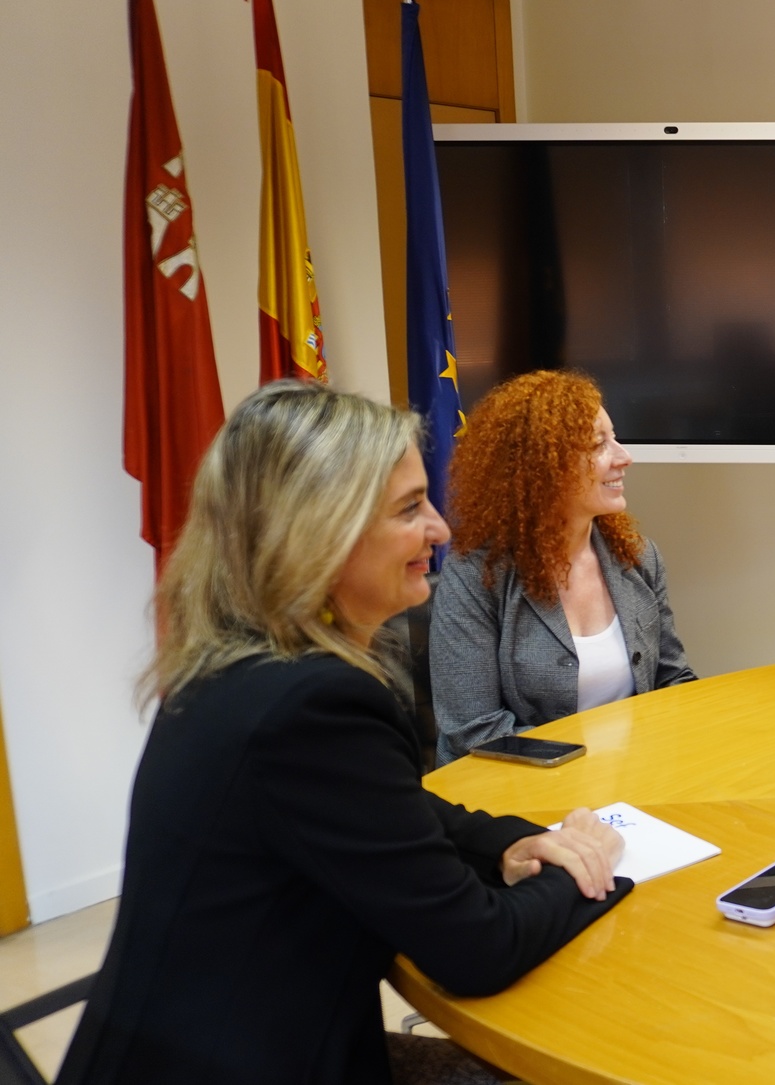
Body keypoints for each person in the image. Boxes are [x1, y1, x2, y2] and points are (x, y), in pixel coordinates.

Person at [59, 382, 631, 1085]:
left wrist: (512, 839)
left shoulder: (240, 668)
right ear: (319, 534)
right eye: (408, 508)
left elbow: (396, 807)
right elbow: (477, 950)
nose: (442, 529)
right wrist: (593, 864)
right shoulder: (314, 705)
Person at [432, 370, 694, 765]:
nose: (624, 457)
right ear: (541, 467)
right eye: (598, 444)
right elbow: (475, 729)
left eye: (615, 437)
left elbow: (673, 681)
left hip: (635, 777)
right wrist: (597, 766)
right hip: (517, 794)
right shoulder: (475, 574)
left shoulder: (638, 556)